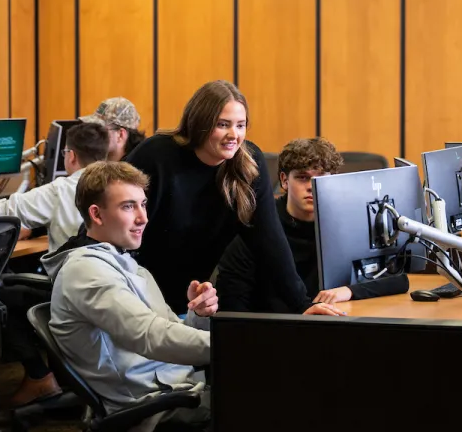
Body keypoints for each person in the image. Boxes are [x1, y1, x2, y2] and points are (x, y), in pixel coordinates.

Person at [42, 161, 342, 432]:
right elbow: (152, 337)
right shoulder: (88, 272)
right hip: (154, 407)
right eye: (128, 207)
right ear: (96, 214)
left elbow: (167, 328)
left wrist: (198, 316)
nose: (144, 218)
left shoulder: (123, 260)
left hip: (182, 388)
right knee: (298, 400)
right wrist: (251, 343)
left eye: (143, 205)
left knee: (302, 385)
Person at [0, 122, 110, 407]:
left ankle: (39, 376)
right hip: (111, 289)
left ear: (70, 156)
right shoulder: (120, 186)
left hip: (71, 293)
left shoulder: (62, 189)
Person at [123, 80, 312, 315]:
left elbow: (270, 243)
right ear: (200, 124)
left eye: (241, 125)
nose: (234, 135)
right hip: (133, 295)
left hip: (188, 305)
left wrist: (303, 306)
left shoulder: (249, 165)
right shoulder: (155, 155)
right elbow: (112, 220)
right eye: (223, 125)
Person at [216, 137, 409, 312]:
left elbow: (398, 278)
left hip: (331, 323)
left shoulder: (350, 221)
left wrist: (350, 291)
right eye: (302, 177)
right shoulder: (260, 224)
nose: (311, 185)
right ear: (284, 180)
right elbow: (232, 298)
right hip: (273, 329)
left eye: (320, 177)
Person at [0, 122, 110, 252]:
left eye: (65, 152)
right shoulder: (123, 184)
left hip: (72, 286)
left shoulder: (59, 191)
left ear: (72, 156)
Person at [80, 96, 146, 161]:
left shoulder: (140, 168)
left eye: (100, 130)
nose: (94, 134)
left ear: (120, 135)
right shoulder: (98, 164)